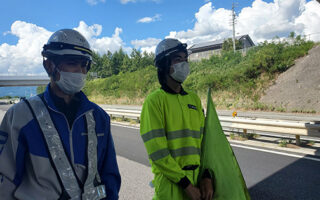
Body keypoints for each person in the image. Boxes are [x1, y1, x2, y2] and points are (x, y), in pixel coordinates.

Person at [0, 29, 121, 200]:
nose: (80, 71)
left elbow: (110, 176)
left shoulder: (99, 117)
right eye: (72, 63)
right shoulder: (20, 116)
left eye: (84, 65)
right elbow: (5, 179)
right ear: (49, 65)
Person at [140, 38, 214, 200]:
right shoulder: (154, 101)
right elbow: (157, 151)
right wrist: (185, 184)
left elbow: (205, 143)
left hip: (197, 182)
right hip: (171, 184)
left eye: (185, 59)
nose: (184, 64)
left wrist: (207, 175)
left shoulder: (194, 99)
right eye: (178, 59)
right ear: (164, 65)